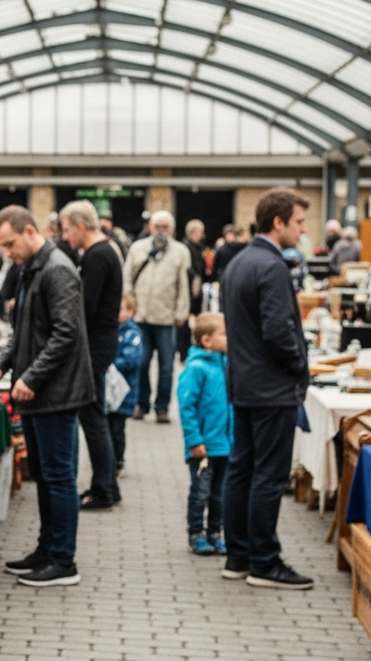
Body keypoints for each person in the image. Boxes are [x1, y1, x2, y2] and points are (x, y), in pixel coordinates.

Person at [0, 205, 94, 587]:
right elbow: (25, 330)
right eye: (2, 246)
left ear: (30, 232)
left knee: (58, 476)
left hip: (56, 392)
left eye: (10, 243)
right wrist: (2, 364)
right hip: (37, 391)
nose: (6, 252)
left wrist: (31, 376)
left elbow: (67, 333)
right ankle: (48, 549)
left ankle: (63, 560)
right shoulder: (32, 267)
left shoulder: (57, 269)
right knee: (45, 475)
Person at [220, 187, 313, 590]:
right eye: (299, 222)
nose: (303, 229)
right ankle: (264, 561)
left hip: (244, 382)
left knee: (242, 469)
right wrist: (299, 366)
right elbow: (278, 331)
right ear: (278, 222)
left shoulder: (239, 262)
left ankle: (238, 556)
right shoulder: (272, 266)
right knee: (268, 475)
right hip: (271, 387)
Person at [59, 200, 122, 509]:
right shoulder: (103, 252)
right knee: (96, 417)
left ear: (81, 227)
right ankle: (108, 485)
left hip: (95, 345)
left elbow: (86, 308)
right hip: (102, 342)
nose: (65, 237)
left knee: (93, 417)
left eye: (67, 230)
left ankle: (103, 489)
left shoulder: (97, 256)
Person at [122, 210, 190, 423]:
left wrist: (181, 313)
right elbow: (127, 279)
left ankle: (162, 407)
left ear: (172, 229)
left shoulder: (181, 252)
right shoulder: (137, 248)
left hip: (166, 317)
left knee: (167, 366)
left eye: (165, 227)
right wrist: (128, 307)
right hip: (140, 316)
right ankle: (141, 403)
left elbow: (184, 286)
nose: (161, 231)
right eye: (157, 226)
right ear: (150, 227)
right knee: (141, 363)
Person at [177, 313, 232, 557]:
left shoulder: (227, 364)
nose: (229, 338)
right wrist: (194, 440)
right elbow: (186, 407)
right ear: (207, 340)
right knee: (201, 492)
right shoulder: (196, 368)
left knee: (220, 494)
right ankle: (196, 533)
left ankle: (215, 533)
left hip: (225, 444)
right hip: (204, 447)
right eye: (224, 334)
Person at [111, 293, 142, 476]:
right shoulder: (112, 330)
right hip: (111, 391)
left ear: (130, 312)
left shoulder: (132, 333)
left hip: (124, 392)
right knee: (108, 427)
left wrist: (113, 365)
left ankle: (118, 461)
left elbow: (132, 360)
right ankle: (110, 460)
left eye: (120, 308)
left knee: (117, 429)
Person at [177, 219, 208, 362]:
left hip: (195, 291)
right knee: (186, 325)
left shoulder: (197, 247)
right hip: (189, 293)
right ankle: (184, 352)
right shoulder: (187, 248)